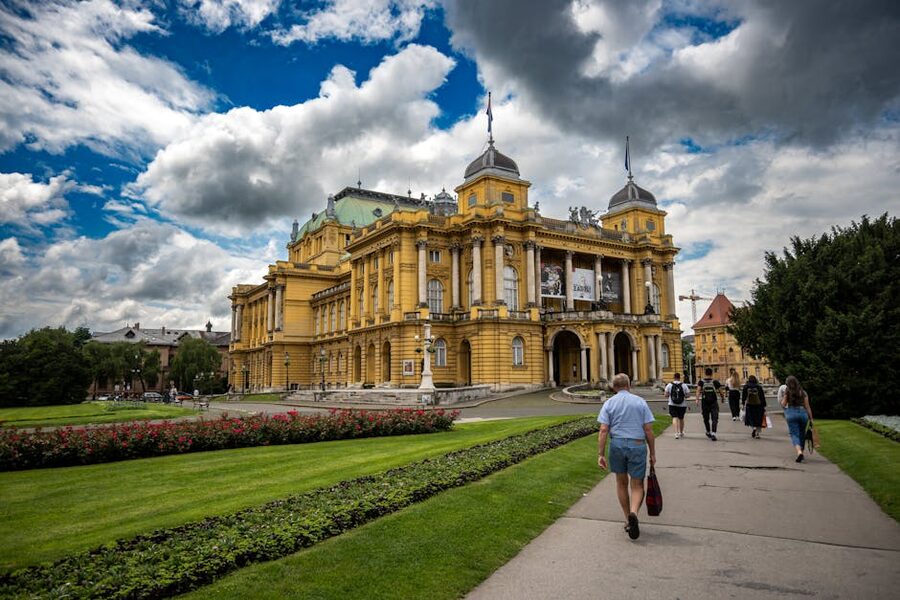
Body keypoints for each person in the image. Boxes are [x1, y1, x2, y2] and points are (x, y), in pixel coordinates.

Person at [597, 373, 656, 540]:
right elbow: (648, 430)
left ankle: (627, 518)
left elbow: (603, 430)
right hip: (637, 444)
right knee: (637, 485)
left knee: (621, 483)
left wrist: (601, 454)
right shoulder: (640, 402)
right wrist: (652, 453)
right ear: (629, 385)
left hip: (617, 445)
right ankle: (634, 513)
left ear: (614, 387)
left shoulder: (609, 403)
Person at [780, 375, 815, 462]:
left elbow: (783, 404)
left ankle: (799, 452)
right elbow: (807, 406)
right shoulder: (803, 392)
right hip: (803, 414)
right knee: (802, 434)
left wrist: (784, 398)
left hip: (791, 414)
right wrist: (811, 418)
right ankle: (801, 451)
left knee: (794, 434)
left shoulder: (787, 392)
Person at [695, 367, 722, 440]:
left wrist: (697, 399)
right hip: (714, 402)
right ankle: (713, 433)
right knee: (714, 418)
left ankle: (708, 431)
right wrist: (722, 398)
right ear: (712, 373)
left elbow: (698, 390)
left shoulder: (701, 382)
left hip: (705, 402)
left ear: (705, 373)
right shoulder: (715, 382)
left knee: (706, 418)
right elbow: (720, 391)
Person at [665, 372, 690, 439]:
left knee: (674, 418)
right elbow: (688, 395)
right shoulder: (684, 385)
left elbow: (666, 395)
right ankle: (681, 432)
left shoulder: (669, 385)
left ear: (674, 377)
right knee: (681, 418)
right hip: (682, 405)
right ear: (679, 378)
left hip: (672, 404)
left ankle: (676, 433)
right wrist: (683, 396)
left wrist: (671, 395)